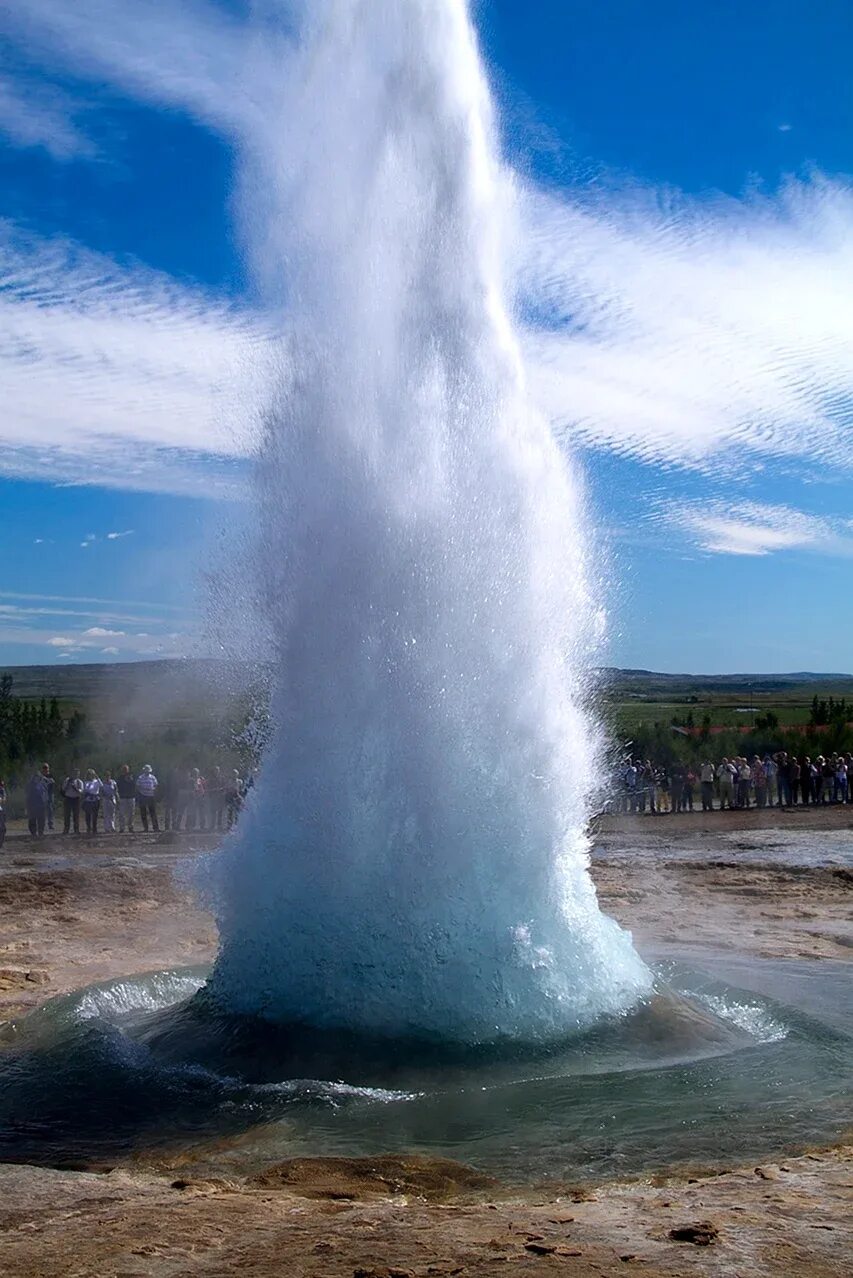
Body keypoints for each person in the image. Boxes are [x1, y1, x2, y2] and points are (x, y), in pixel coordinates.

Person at [135, 764, 160, 832]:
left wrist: (155, 792)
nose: (147, 772)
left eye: (148, 771)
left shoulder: (153, 777)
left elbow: (156, 785)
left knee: (153, 813)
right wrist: (139, 794)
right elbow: (137, 786)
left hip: (151, 796)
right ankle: (145, 828)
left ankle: (155, 827)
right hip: (143, 796)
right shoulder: (140, 778)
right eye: (146, 771)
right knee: (143, 813)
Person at [26, 770, 48, 839]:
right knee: (32, 819)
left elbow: (45, 793)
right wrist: (28, 805)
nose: (37, 778)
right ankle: (33, 833)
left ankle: (41, 833)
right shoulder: (30, 785)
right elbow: (27, 795)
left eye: (38, 777)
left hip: (41, 804)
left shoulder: (43, 783)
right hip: (32, 804)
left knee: (41, 820)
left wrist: (46, 801)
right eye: (36, 777)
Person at [61, 769, 84, 835]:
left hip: (76, 799)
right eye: (75, 773)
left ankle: (76, 830)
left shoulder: (79, 782)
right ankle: (66, 829)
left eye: (77, 773)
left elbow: (81, 791)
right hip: (68, 799)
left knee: (76, 815)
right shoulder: (67, 780)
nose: (76, 774)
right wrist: (68, 784)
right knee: (67, 815)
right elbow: (63, 789)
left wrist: (75, 788)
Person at [116, 764, 136, 833]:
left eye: (126, 769)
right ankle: (122, 828)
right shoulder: (120, 778)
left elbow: (135, 785)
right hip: (122, 797)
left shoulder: (132, 777)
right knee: (122, 814)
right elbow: (117, 787)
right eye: (124, 769)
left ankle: (131, 827)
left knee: (131, 813)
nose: (125, 770)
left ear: (128, 770)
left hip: (131, 797)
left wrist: (131, 780)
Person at [206, 766, 226, 831]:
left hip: (220, 797)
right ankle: (212, 825)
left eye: (217, 770)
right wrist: (212, 791)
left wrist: (221, 790)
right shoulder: (211, 779)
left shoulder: (222, 778)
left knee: (220, 812)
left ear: (219, 771)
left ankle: (219, 825)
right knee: (213, 812)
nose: (216, 772)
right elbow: (208, 787)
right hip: (213, 797)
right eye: (215, 770)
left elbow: (224, 787)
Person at [83, 769, 102, 835]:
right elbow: (85, 790)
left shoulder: (96, 781)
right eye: (89, 774)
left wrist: (97, 777)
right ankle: (88, 827)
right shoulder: (86, 782)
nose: (90, 775)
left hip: (96, 799)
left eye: (91, 774)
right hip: (88, 799)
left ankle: (94, 828)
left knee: (95, 815)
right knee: (88, 815)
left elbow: (101, 785)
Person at [41, 763, 56, 832]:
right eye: (44, 768)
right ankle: (42, 824)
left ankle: (50, 824)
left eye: (46, 767)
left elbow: (52, 782)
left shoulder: (50, 775)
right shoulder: (40, 776)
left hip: (50, 794)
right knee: (42, 810)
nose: (45, 769)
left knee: (50, 809)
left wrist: (46, 779)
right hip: (42, 794)